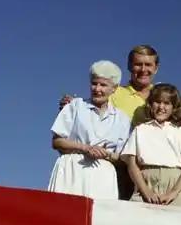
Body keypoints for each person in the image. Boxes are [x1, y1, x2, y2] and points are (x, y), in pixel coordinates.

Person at [48, 61, 131, 198]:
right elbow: (57, 142)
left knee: (99, 216)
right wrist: (86, 148)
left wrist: (106, 154)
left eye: (103, 85)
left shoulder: (122, 119)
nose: (97, 89)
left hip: (102, 173)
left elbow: (122, 157)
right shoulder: (75, 106)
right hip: (72, 170)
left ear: (114, 88)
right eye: (94, 83)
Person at [120, 83, 181, 207]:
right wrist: (145, 191)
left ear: (174, 107)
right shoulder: (141, 129)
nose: (161, 107)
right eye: (157, 102)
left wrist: (174, 192)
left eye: (166, 103)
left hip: (174, 182)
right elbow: (132, 163)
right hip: (145, 181)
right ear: (150, 104)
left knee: (173, 223)